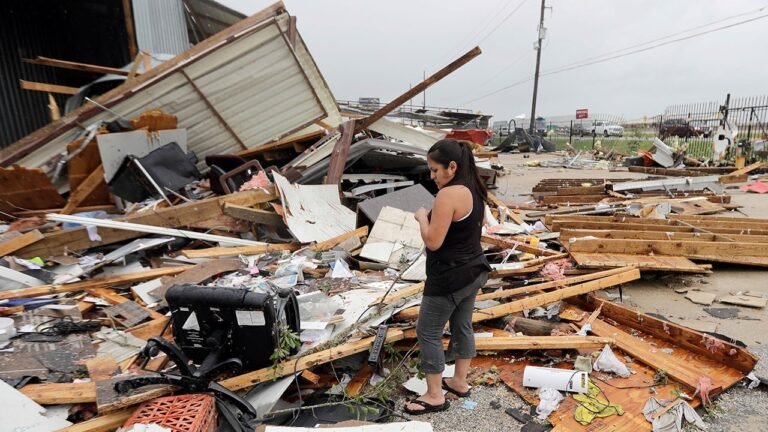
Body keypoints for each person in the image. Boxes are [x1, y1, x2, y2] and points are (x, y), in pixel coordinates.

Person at [404, 139, 491, 415]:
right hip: (474, 270)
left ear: (451, 167)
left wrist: (421, 218)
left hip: (450, 277)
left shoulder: (448, 195)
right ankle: (459, 381)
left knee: (427, 330)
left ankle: (433, 395)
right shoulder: (474, 188)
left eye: (434, 170)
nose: (432, 176)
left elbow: (433, 241)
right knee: (462, 324)